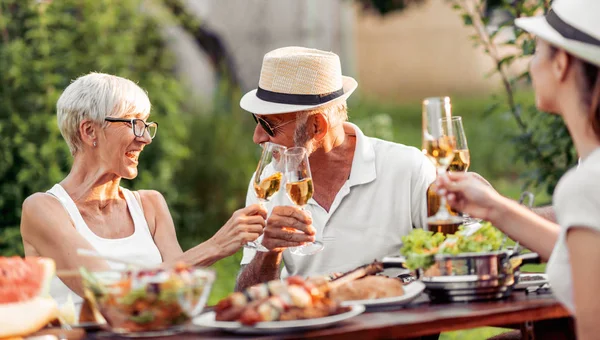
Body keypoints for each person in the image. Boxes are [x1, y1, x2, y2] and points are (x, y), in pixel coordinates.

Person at [19, 72, 267, 312]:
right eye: (134, 124)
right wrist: (216, 245)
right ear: (89, 131)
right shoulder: (43, 209)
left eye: (147, 125)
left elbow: (181, 292)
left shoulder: (150, 205)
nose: (146, 138)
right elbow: (107, 292)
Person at [437, 1, 600, 338]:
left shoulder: (586, 184)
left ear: (561, 64)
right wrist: (494, 207)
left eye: (537, 48)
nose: (530, 63)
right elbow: (582, 256)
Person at [235, 46, 436, 291]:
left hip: (388, 323)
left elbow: (451, 264)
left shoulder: (406, 168)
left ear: (316, 127)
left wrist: (397, 284)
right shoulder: (269, 180)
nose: (257, 137)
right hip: (305, 324)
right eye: (256, 120)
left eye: (268, 124)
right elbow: (247, 297)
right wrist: (268, 251)